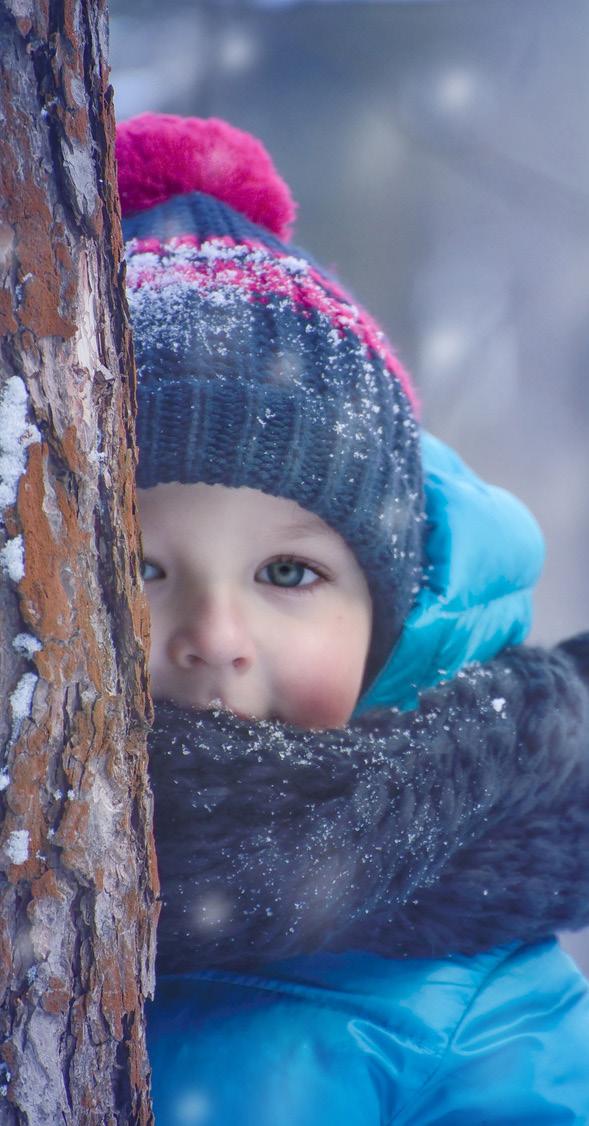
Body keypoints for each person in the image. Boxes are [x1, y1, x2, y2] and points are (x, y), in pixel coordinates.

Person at [116, 113, 589, 1124]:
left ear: (391, 614)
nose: (214, 633)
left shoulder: (469, 987)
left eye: (286, 570)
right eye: (138, 566)